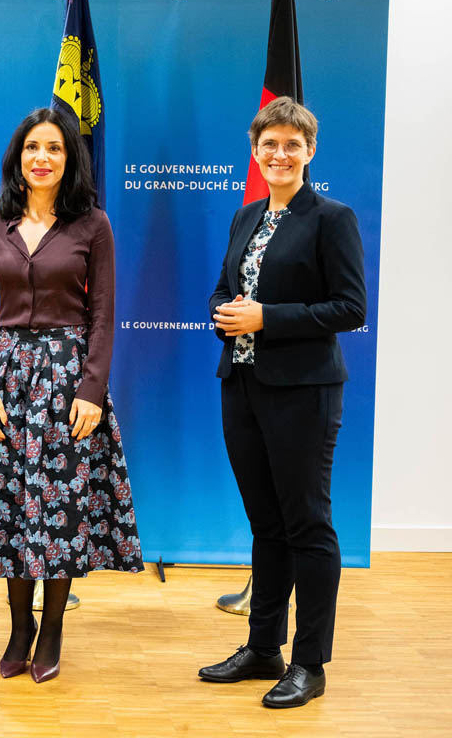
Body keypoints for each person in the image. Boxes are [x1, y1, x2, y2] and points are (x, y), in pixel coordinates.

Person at [0, 107, 142, 684]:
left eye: (54, 148)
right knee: (11, 508)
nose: (42, 157)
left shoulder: (93, 225)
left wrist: (92, 388)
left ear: (68, 159)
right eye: (32, 147)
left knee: (61, 511)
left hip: (68, 381)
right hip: (8, 382)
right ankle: (20, 627)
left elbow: (103, 313)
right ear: (17, 159)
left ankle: (53, 628)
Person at [200, 96, 366, 708]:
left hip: (304, 392)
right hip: (241, 386)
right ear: (255, 151)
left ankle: (309, 662)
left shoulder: (332, 218)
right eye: (269, 144)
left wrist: (266, 317)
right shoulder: (245, 216)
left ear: (309, 151)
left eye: (292, 144)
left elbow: (350, 307)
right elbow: (225, 288)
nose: (279, 154)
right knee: (266, 525)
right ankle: (262, 647)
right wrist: (224, 314)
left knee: (308, 526)